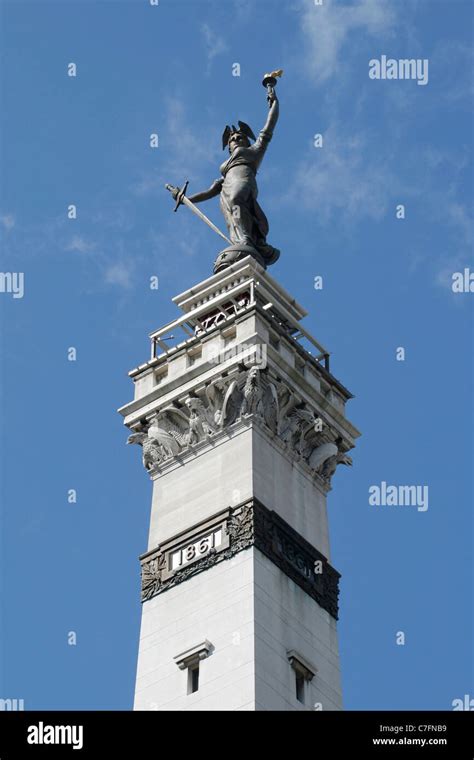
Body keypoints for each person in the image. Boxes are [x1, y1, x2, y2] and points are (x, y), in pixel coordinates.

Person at [185, 87, 280, 267]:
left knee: (237, 200)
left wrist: (274, 102)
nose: (235, 138)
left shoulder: (254, 151)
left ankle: (245, 239)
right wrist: (186, 199)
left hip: (243, 184)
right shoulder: (225, 168)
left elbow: (269, 128)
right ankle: (246, 241)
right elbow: (210, 192)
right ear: (228, 147)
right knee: (232, 218)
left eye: (240, 136)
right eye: (232, 138)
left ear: (247, 141)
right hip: (225, 191)